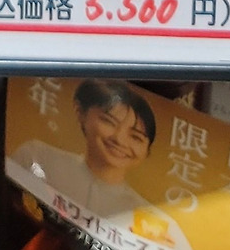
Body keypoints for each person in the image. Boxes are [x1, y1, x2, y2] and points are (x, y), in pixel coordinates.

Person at [14, 80, 158, 223]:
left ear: (147, 150)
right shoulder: (37, 156)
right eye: (109, 122)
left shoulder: (147, 216)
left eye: (135, 137)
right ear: (81, 113)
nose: (119, 139)